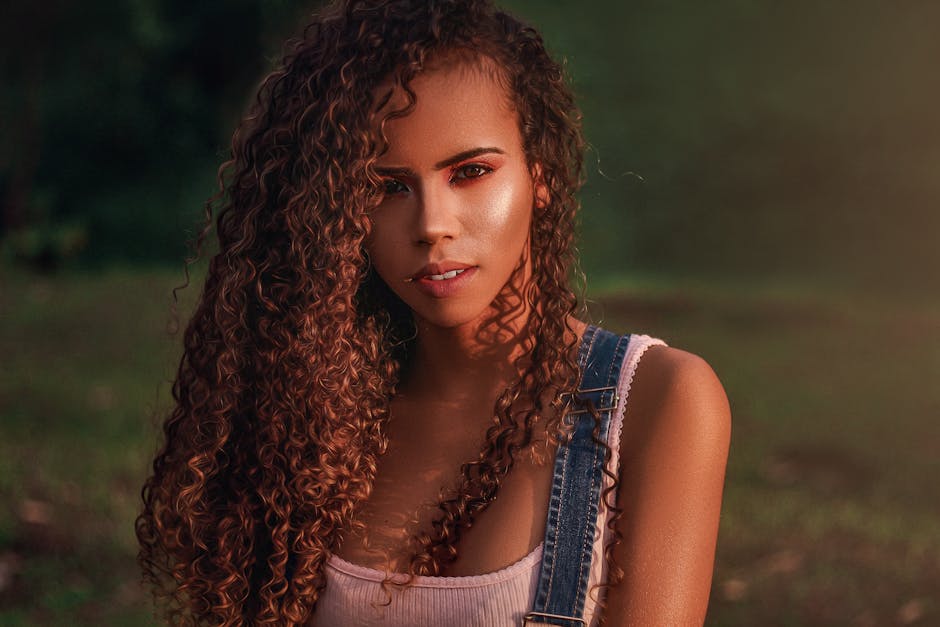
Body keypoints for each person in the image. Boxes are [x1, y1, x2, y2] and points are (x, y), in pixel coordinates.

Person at [136, 1, 731, 625]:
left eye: (470, 172)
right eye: (387, 187)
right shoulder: (316, 412)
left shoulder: (655, 401)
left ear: (541, 174)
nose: (431, 226)